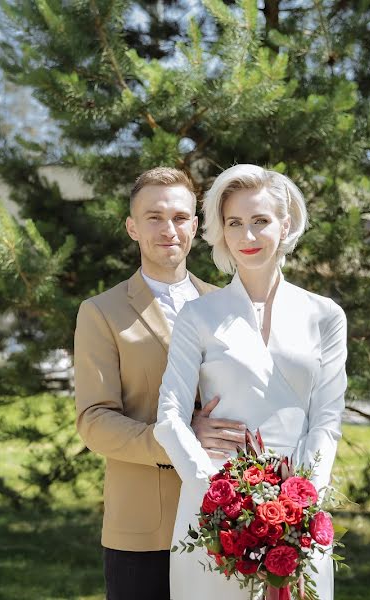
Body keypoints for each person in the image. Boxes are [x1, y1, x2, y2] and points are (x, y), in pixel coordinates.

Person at [153, 164, 347, 599]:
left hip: (299, 509)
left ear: (286, 223)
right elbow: (169, 417)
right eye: (235, 223)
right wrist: (216, 495)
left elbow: (327, 421)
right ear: (221, 230)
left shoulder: (325, 315)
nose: (248, 237)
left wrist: (302, 502)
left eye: (260, 221)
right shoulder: (199, 315)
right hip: (213, 508)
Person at [74, 167, 247, 600]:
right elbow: (94, 421)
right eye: (153, 217)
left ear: (195, 225)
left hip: (225, 519)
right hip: (144, 530)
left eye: (180, 217)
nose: (168, 229)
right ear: (132, 227)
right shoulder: (101, 312)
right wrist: (180, 439)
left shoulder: (228, 306)